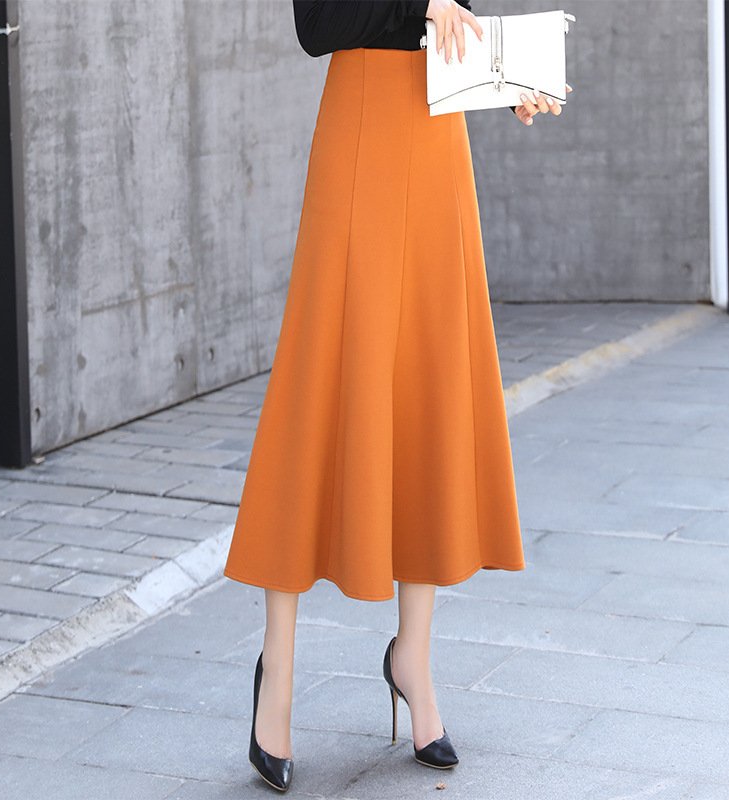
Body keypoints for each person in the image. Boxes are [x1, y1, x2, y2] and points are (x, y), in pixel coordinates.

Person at [223, 0, 571, 792]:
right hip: (359, 136)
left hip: (437, 139)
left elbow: (453, 25)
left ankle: (412, 656)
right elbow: (318, 25)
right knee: (319, 381)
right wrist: (423, 5)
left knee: (428, 384)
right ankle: (278, 671)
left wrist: (507, 83)